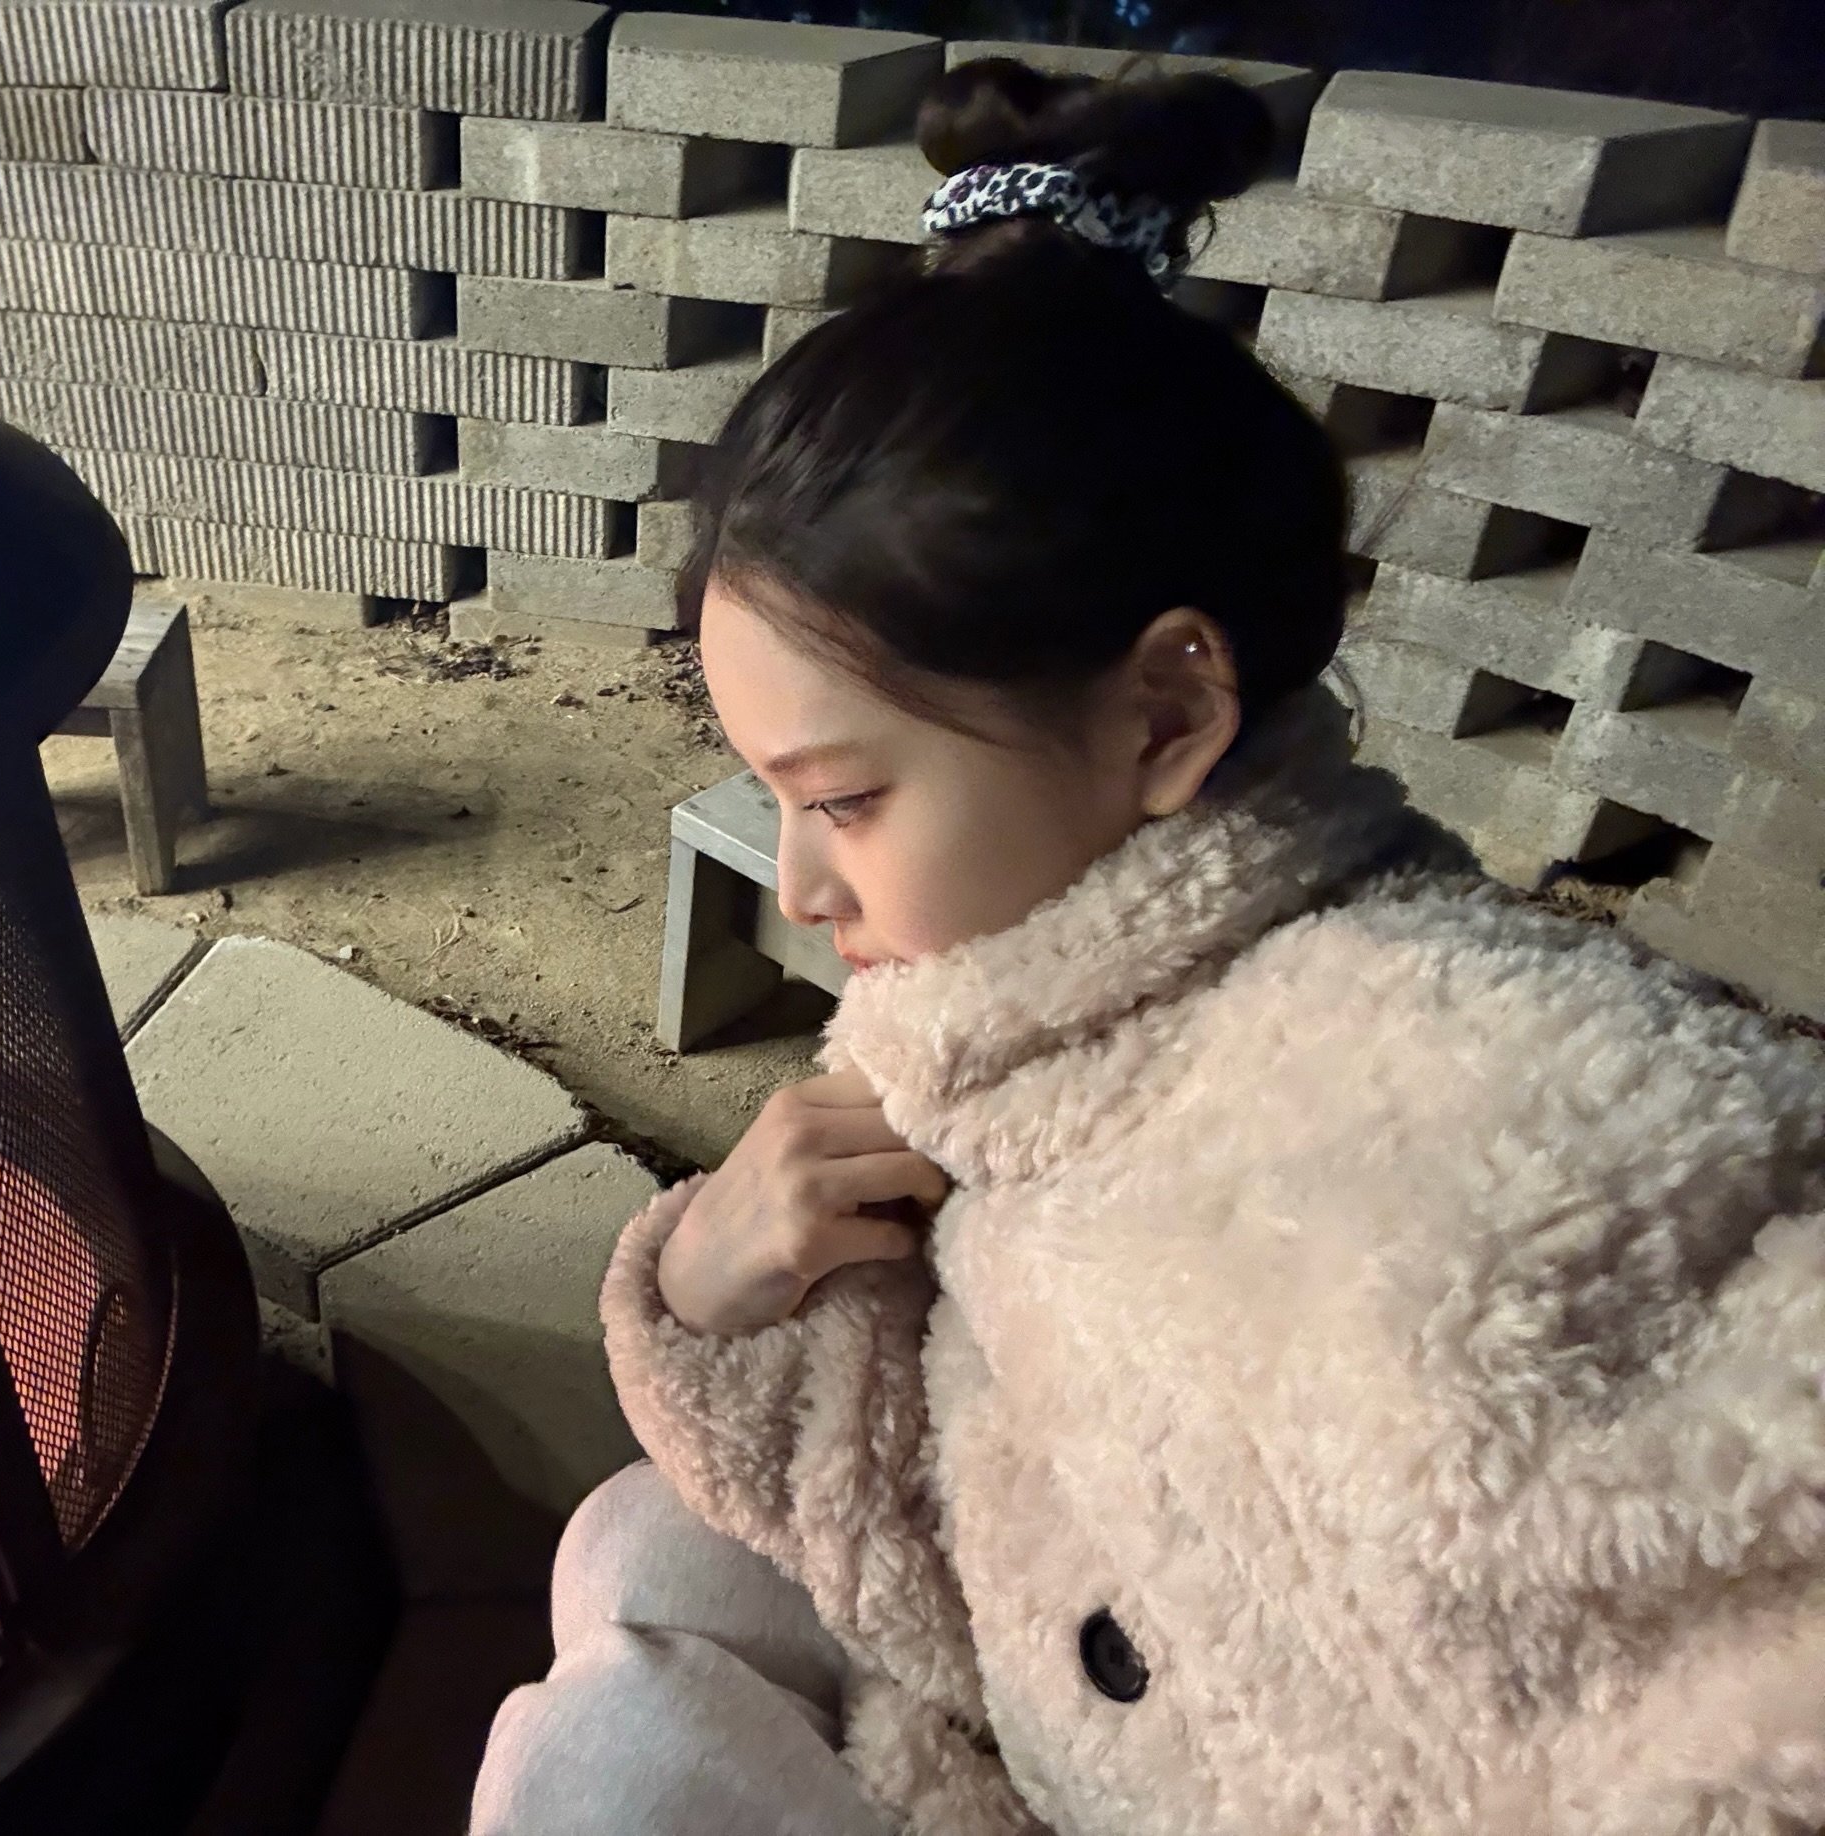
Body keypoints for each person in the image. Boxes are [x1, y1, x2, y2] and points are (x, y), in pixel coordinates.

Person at [470, 51, 1825, 1836]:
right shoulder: (1028, 1016)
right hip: (1033, 1718)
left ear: (1170, 712)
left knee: (597, 1750)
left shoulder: (1515, 1136)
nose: (797, 887)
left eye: (845, 800)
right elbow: (989, 1479)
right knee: (637, 1542)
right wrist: (719, 1287)